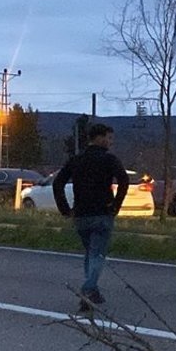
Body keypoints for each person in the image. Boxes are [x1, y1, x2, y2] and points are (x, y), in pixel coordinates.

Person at [54, 123, 128, 307]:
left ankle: (93, 292)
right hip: (102, 213)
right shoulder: (109, 159)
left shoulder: (76, 160)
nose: (110, 142)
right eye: (109, 138)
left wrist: (65, 209)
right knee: (97, 254)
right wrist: (116, 205)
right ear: (99, 138)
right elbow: (124, 180)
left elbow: (57, 183)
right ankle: (88, 288)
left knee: (90, 252)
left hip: (81, 214)